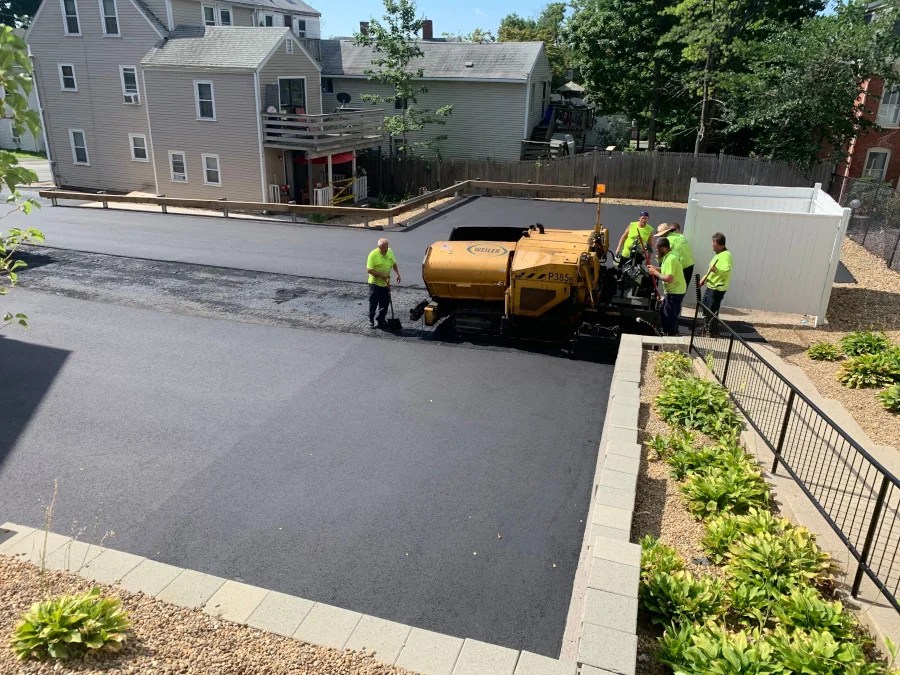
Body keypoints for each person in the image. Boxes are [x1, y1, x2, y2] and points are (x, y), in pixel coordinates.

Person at [648, 237, 686, 336]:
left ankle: (669, 335)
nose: (656, 250)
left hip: (675, 292)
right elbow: (666, 269)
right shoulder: (669, 254)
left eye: (658, 248)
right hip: (674, 290)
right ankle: (667, 332)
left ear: (664, 248)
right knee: (665, 311)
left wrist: (655, 272)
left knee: (669, 315)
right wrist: (655, 268)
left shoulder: (671, 258)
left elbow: (669, 278)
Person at [698, 232, 732, 333]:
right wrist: (705, 278)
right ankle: (706, 326)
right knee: (705, 305)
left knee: (712, 309)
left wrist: (716, 270)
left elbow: (726, 270)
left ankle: (712, 331)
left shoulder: (726, 256)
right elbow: (712, 269)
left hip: (718, 287)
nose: (712, 245)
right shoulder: (719, 255)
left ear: (716, 243)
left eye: (712, 243)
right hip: (711, 285)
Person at [366, 238, 401, 328]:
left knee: (385, 303)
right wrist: (381, 275)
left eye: (386, 247)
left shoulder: (390, 251)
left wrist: (397, 274)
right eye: (383, 248)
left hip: (385, 283)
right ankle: (371, 319)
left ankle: (381, 319)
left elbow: (394, 263)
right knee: (373, 302)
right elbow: (369, 270)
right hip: (374, 284)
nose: (385, 250)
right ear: (379, 247)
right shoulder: (373, 255)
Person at [659, 222, 694, 289]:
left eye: (660, 235)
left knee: (675, 288)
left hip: (682, 266)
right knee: (683, 288)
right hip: (690, 264)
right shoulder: (680, 236)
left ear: (663, 233)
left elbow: (663, 257)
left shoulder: (667, 240)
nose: (660, 237)